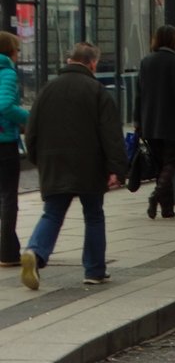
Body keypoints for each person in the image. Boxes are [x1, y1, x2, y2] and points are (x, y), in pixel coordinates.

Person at [20, 42, 126, 289]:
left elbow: (31, 131)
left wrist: (39, 159)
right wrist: (116, 169)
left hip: (54, 162)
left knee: (53, 212)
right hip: (90, 164)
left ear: (69, 61)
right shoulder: (97, 91)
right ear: (93, 63)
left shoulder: (47, 90)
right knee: (93, 215)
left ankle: (35, 252)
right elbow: (111, 134)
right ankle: (94, 270)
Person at [135, 25, 175, 220]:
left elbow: (139, 95)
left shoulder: (146, 62)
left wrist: (138, 120)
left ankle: (167, 209)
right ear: (172, 41)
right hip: (171, 122)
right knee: (171, 162)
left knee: (160, 164)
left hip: (150, 122)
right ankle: (156, 196)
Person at [0, 32, 29, 268]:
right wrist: (30, 117)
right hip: (4, 141)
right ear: (10, 51)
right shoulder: (7, 72)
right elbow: (6, 105)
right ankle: (8, 253)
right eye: (17, 50)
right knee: (9, 197)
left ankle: (10, 247)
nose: (18, 55)